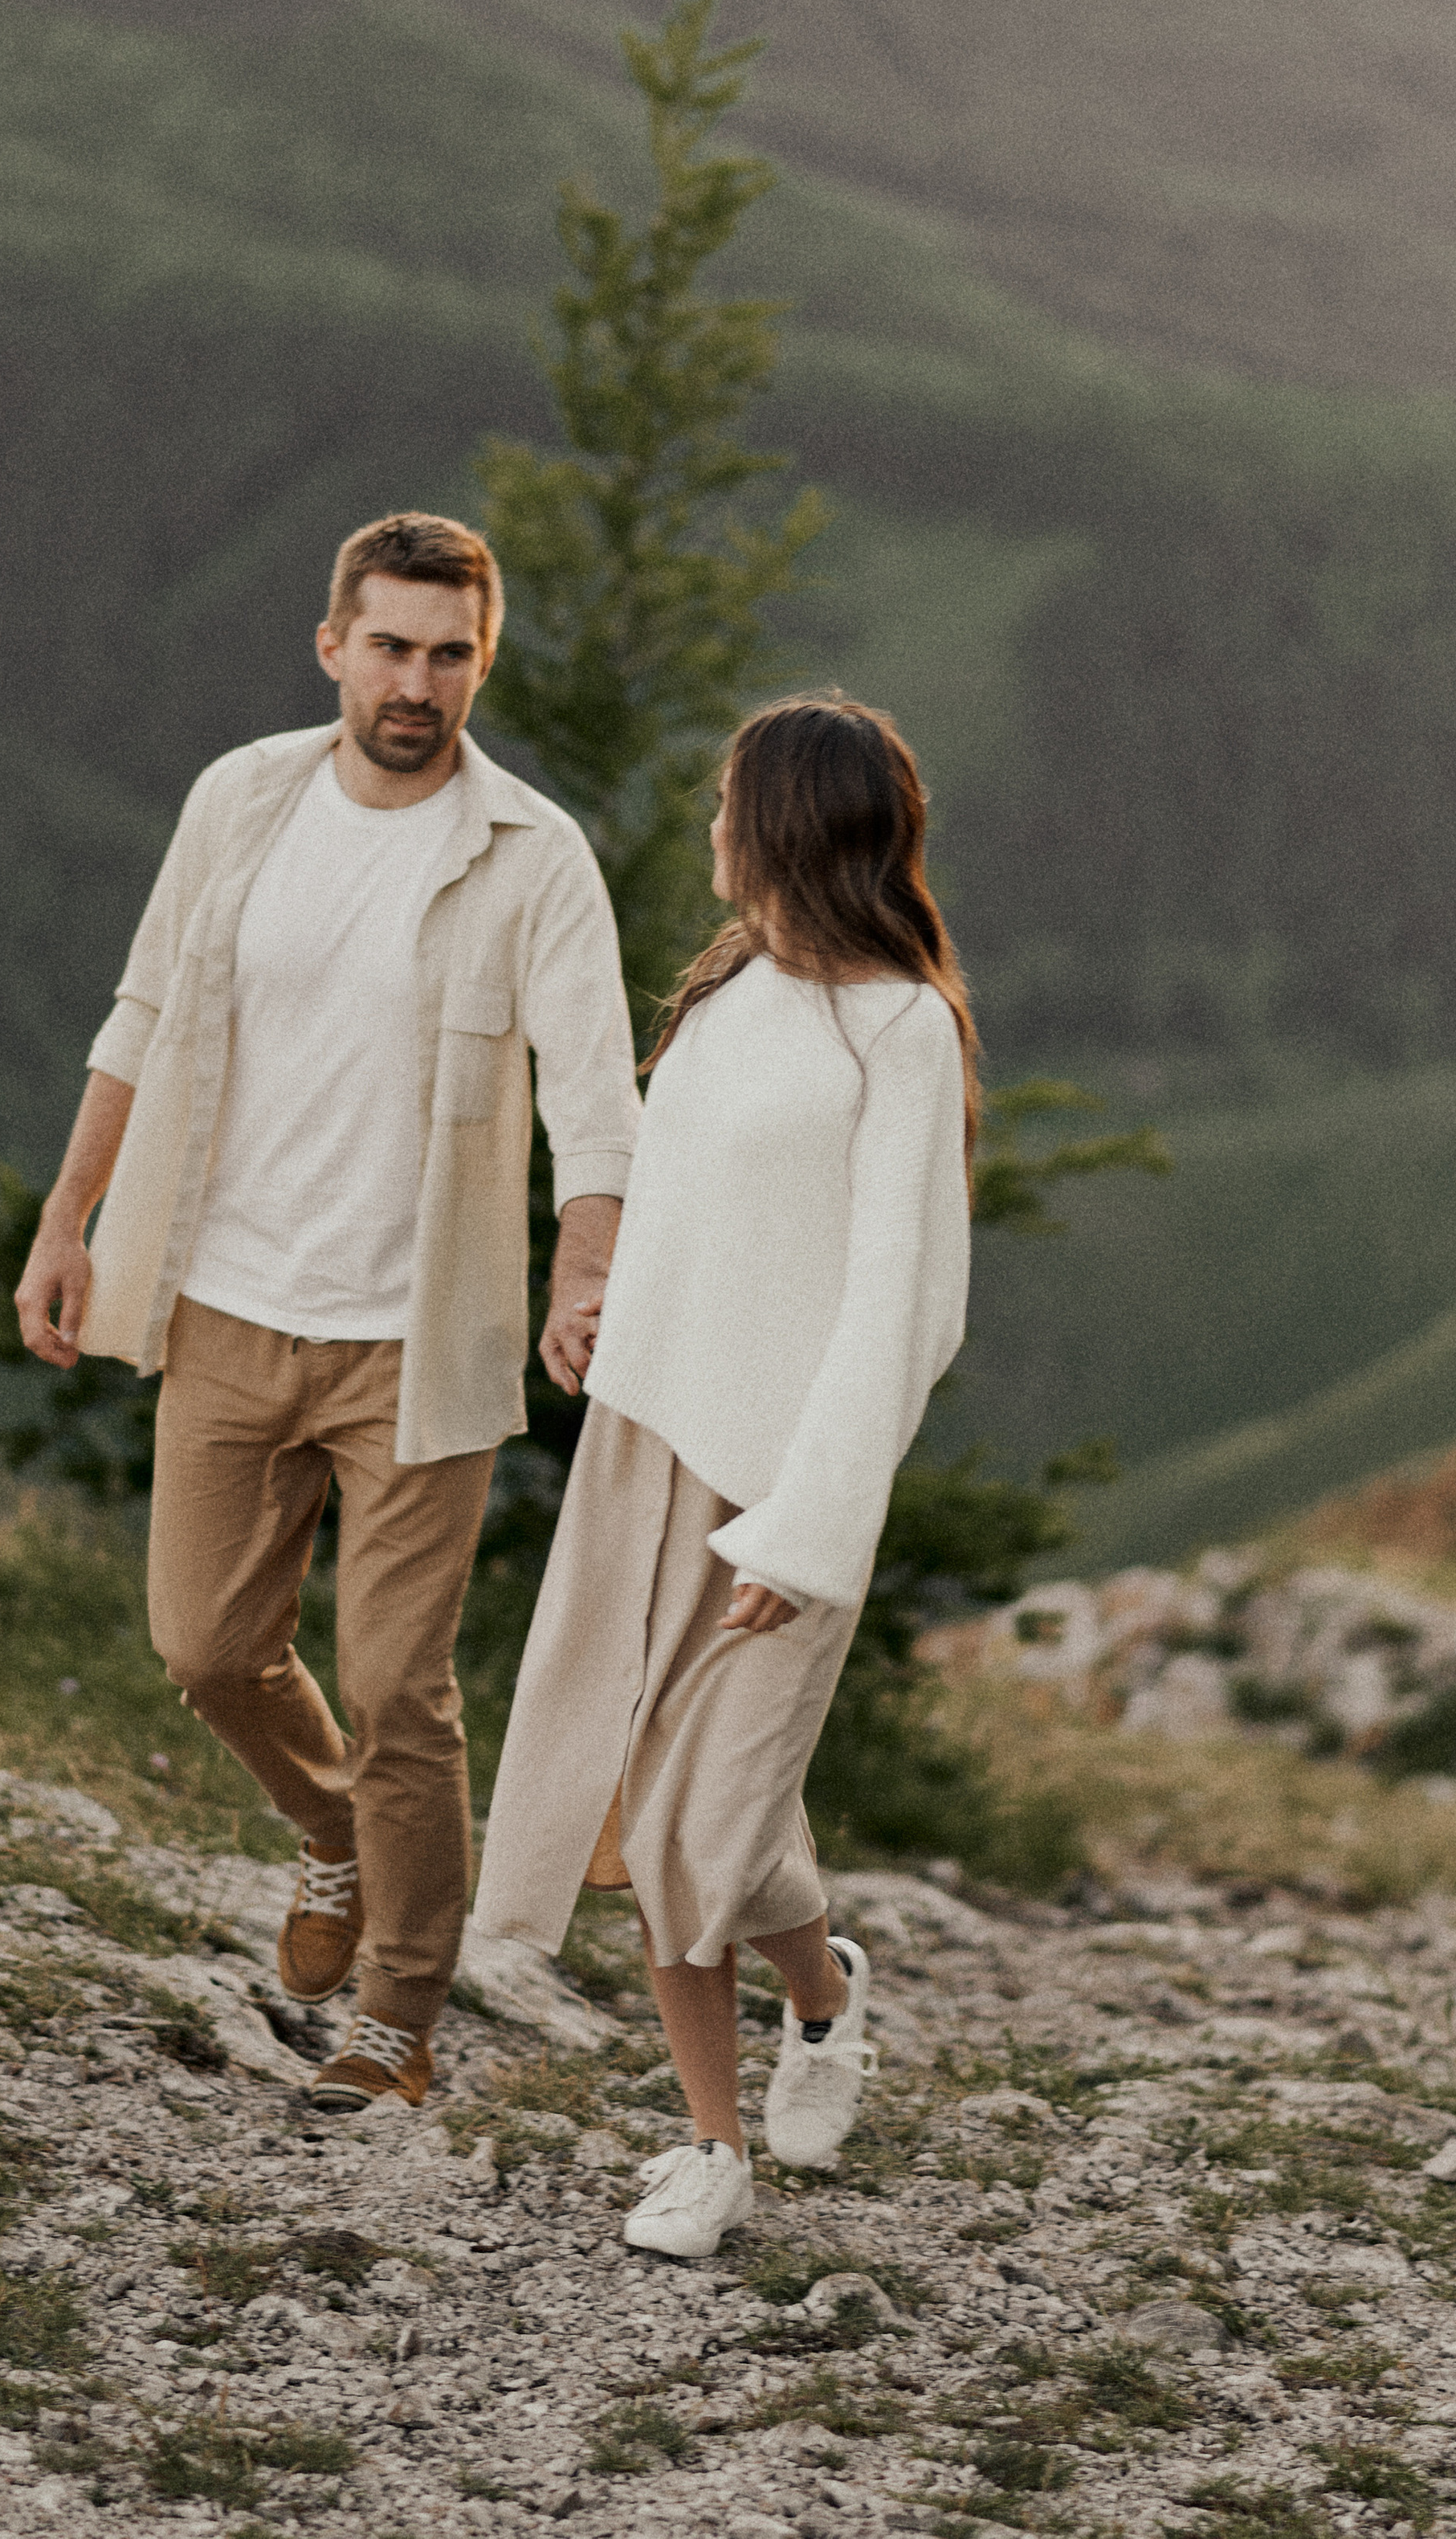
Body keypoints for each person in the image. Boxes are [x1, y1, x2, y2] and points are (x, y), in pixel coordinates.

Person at [15, 512, 639, 2115]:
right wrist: (69, 1219)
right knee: (206, 1644)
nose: (415, 683)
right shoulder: (240, 799)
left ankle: (397, 2015)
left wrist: (582, 1270)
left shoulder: (532, 856)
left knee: (396, 1683)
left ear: (481, 665)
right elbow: (142, 1012)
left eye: (448, 654)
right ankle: (334, 1833)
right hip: (224, 1298)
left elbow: (592, 1096)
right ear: (332, 647)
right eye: (390, 647)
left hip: (416, 1337)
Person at [474, 693, 974, 2256]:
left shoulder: (898, 1030)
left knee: (707, 1815)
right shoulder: (727, 989)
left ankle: (818, 2004)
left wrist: (807, 1528)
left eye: (726, 802)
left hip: (789, 1483)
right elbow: (694, 1206)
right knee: (663, 1807)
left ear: (785, 826)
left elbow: (898, 1307)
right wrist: (606, 1307)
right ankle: (715, 2141)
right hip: (650, 1442)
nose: (708, 824)